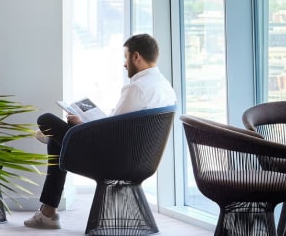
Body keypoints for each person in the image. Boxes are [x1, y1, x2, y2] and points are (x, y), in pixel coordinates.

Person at [24, 33, 176, 230]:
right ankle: (47, 212)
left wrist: (80, 124)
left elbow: (109, 130)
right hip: (141, 160)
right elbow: (117, 125)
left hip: (114, 161)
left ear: (136, 57)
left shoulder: (137, 88)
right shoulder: (165, 86)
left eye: (126, 57)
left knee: (46, 120)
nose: (124, 64)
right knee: (57, 141)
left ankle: (48, 213)